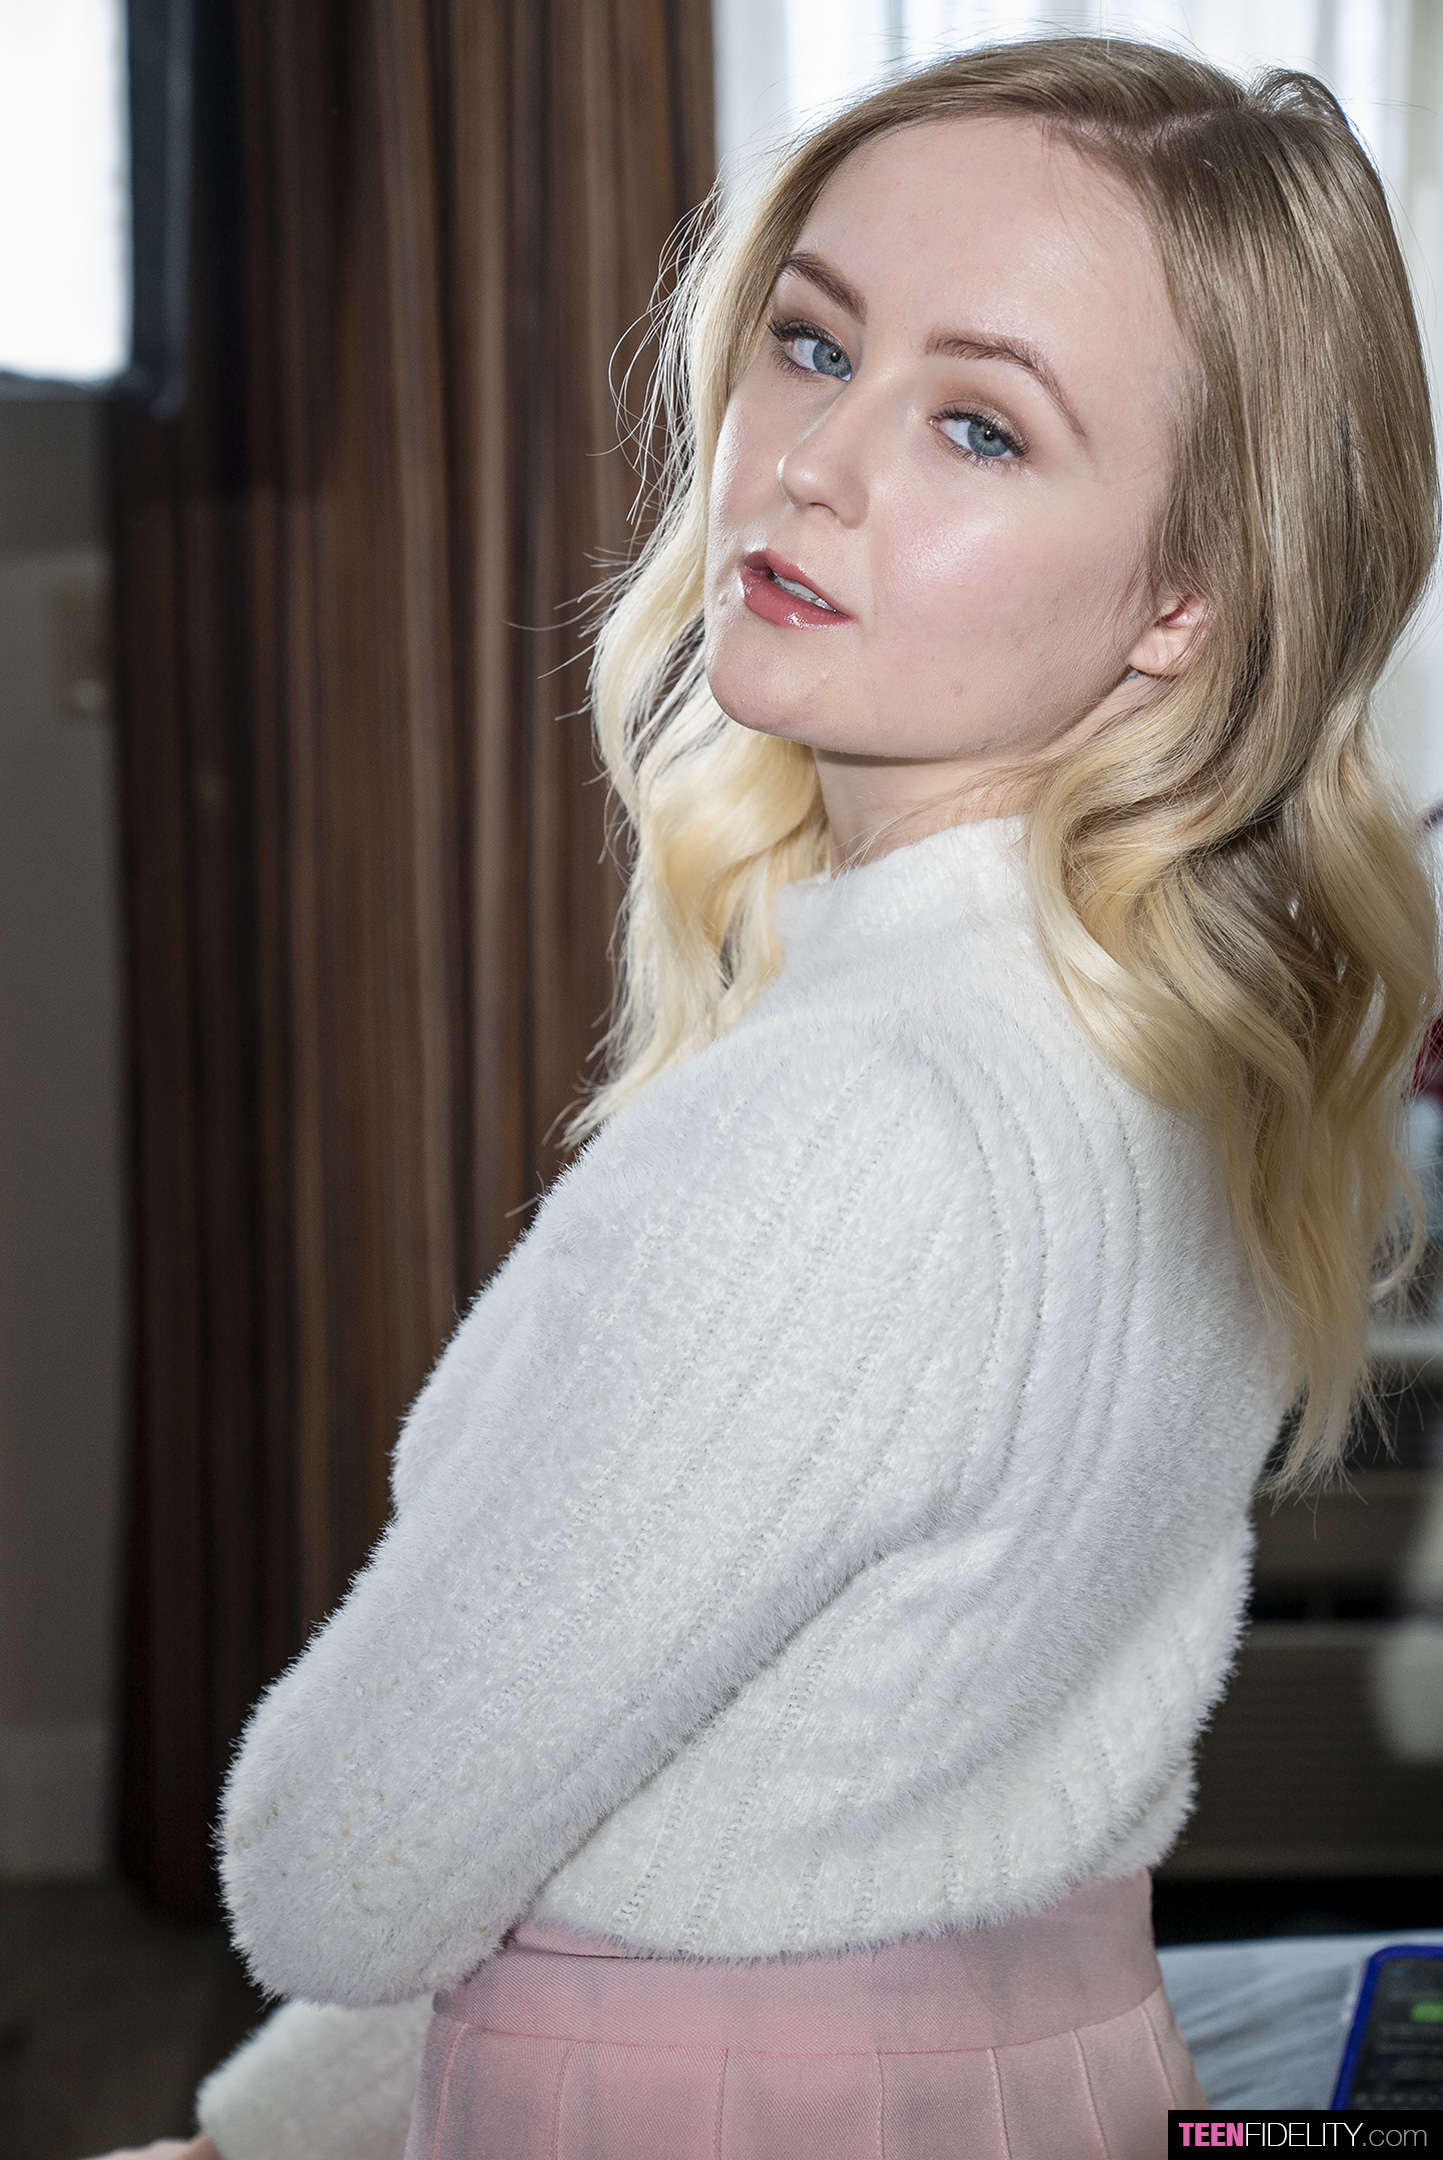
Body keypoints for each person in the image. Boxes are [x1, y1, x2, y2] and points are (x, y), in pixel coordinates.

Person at [91, 35, 1440, 2160]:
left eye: (979, 424)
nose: (808, 462)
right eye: (812, 342)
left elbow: (334, 1875)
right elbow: (739, 1837)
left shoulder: (850, 1138)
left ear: (1186, 601)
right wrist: (258, 2142)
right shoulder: (1178, 1072)